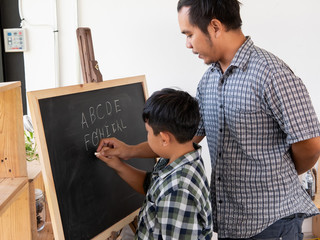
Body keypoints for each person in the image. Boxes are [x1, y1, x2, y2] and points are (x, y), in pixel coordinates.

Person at [97, 0, 320, 239]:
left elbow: (310, 145)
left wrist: (277, 175)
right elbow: (181, 138)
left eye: (189, 34)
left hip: (272, 223)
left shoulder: (272, 74)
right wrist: (128, 151)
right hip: (230, 222)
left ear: (214, 26)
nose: (187, 44)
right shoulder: (208, 80)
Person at [96, 88, 213, 239]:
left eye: (148, 132)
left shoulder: (178, 191)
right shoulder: (180, 160)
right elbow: (151, 187)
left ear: (164, 138)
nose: (148, 136)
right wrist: (118, 165)